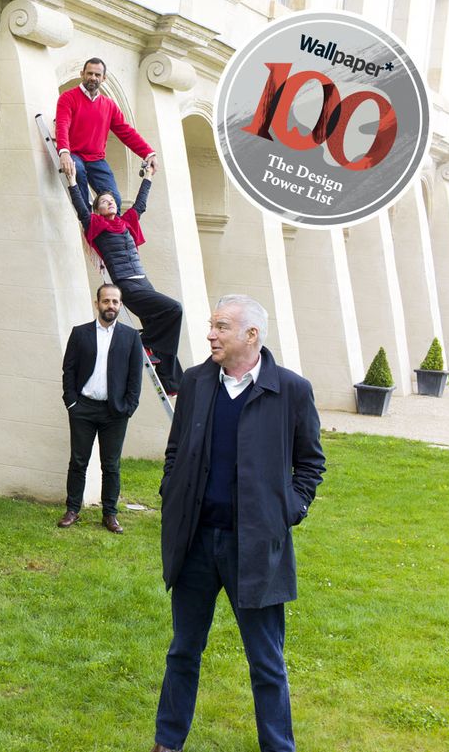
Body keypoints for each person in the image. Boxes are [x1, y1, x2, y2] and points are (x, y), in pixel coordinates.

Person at [150, 295, 325, 752]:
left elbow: (310, 464)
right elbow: (176, 451)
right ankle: (167, 742)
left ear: (252, 335)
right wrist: (173, 491)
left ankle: (277, 747)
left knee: (266, 662)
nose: (210, 334)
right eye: (211, 325)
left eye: (221, 327)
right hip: (195, 544)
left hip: (255, 548)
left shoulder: (291, 390)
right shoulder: (195, 382)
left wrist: (290, 508)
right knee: (183, 651)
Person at [68, 162, 183, 394]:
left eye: (111, 200)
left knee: (160, 327)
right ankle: (141, 340)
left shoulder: (127, 222)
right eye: (103, 202)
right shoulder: (95, 225)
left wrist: (148, 176)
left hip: (143, 279)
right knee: (174, 310)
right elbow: (81, 207)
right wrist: (72, 182)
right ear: (98, 210)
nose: (109, 202)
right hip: (127, 284)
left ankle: (171, 384)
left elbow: (141, 204)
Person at [58, 283, 143, 533]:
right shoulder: (80, 333)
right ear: (98, 304)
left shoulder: (130, 337)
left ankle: (110, 514)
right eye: (106, 301)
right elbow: (69, 370)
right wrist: (71, 402)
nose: (111, 306)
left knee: (111, 465)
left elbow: (134, 378)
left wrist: (129, 407)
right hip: (83, 408)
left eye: (115, 302)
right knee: (78, 461)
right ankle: (72, 509)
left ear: (120, 305)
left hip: (115, 412)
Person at [55, 57, 157, 209]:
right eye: (89, 73)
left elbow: (126, 132)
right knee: (79, 172)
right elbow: (62, 124)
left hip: (97, 159)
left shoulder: (109, 105)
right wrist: (64, 152)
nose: (92, 78)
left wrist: (149, 154)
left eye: (97, 75)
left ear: (104, 78)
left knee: (115, 199)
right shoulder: (68, 98)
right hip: (74, 155)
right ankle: (87, 223)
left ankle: (113, 232)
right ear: (82, 74)